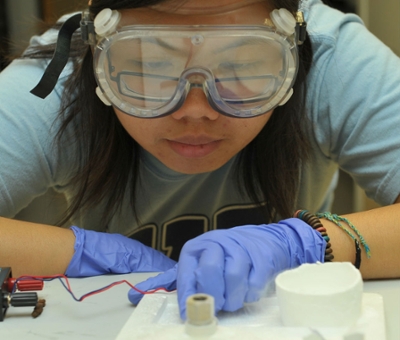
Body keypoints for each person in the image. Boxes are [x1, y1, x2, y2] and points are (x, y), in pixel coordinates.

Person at [0, 0, 399, 319]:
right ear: (98, 47)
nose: (196, 110)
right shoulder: (56, 82)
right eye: (150, 64)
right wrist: (75, 253)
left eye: (242, 65)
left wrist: (310, 244)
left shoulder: (334, 59)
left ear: (292, 50)